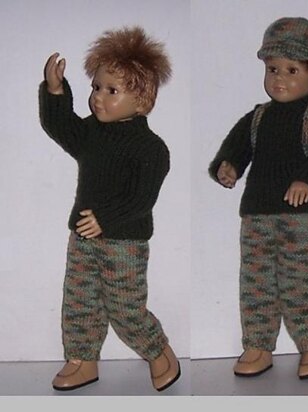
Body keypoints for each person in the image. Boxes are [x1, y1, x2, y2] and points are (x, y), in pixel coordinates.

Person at [39, 26, 180, 392]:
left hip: (124, 244)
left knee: (125, 308)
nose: (98, 98)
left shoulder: (151, 148)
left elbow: (141, 199)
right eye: (96, 87)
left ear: (142, 98)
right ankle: (82, 360)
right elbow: (61, 126)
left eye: (111, 91)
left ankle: (159, 352)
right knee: (79, 303)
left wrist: (106, 219)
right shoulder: (92, 133)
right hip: (83, 239)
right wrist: (55, 90)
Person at [208, 17, 308, 379]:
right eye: (272, 69)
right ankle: (258, 344)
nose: (279, 78)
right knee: (256, 283)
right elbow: (236, 147)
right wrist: (227, 166)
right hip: (257, 215)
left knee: (301, 282)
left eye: (292, 70)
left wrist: (307, 180)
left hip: (303, 217)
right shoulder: (257, 117)